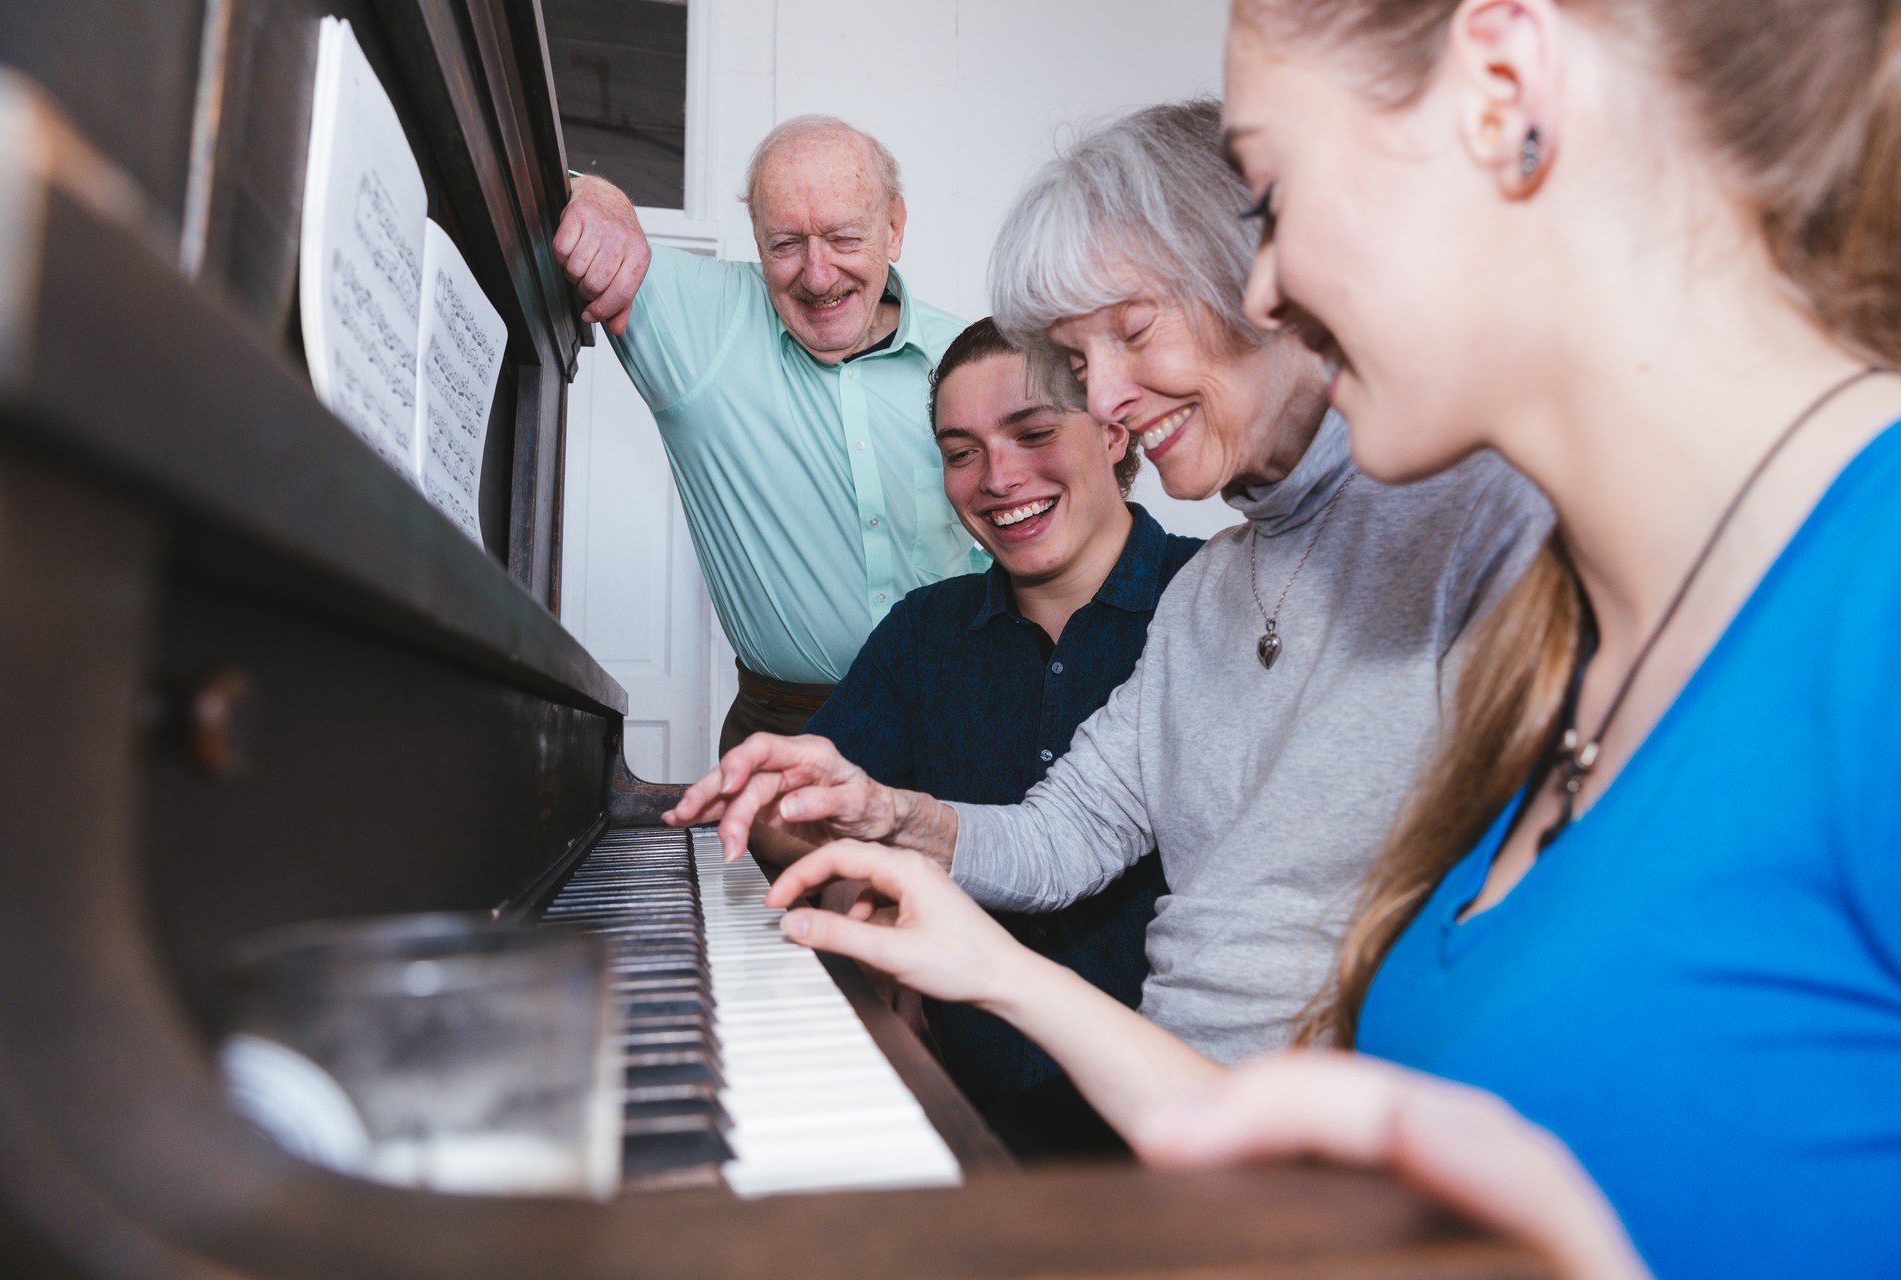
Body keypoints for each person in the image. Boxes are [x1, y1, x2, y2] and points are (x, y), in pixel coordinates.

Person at [715, 3, 1901, 1275]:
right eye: (1074, 357)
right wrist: (932, 871)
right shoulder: (1243, 590)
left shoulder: (1579, 544)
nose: (1268, 281)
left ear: (1509, 96)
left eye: (1271, 201)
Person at [668, 99, 1552, 1066]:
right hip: (1175, 1113)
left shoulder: (1491, 508)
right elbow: (1073, 830)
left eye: (1132, 333)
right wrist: (889, 813)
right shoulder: (1209, 593)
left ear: (1266, 279)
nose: (1106, 397)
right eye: (1083, 361)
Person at [804, 316, 1201, 1157]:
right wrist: (867, 916)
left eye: (1033, 432)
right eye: (961, 452)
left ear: (1114, 428)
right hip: (963, 1106)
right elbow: (807, 805)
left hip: (1178, 1116)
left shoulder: (1211, 599)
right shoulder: (925, 629)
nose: (998, 477)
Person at [552, 117, 981, 753]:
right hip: (789, 735)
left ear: (893, 227)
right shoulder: (707, 321)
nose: (816, 274)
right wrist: (598, 195)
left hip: (965, 721)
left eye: (842, 237)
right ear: (755, 239)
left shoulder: (975, 360)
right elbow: (531, 188)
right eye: (785, 244)